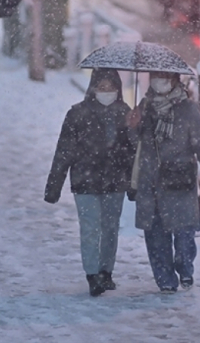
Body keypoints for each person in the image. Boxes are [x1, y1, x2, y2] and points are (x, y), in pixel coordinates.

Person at [126, 71, 200, 294]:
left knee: (184, 236)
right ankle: (166, 281)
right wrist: (132, 127)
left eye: (165, 78)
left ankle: (185, 267)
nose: (161, 82)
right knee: (156, 237)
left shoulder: (188, 109)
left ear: (175, 80)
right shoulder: (145, 106)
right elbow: (135, 145)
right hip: (150, 182)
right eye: (156, 77)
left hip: (179, 182)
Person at [44, 69, 135, 297]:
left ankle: (106, 271)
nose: (106, 92)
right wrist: (53, 187)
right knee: (90, 228)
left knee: (110, 229)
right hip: (85, 180)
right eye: (101, 87)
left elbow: (135, 152)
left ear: (118, 89)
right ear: (93, 88)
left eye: (110, 88)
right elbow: (63, 152)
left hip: (115, 181)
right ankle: (92, 274)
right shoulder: (77, 114)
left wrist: (134, 182)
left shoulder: (126, 113)